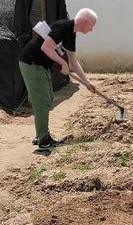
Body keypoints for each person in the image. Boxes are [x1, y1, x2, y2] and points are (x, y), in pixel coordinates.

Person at [19, 9, 98, 153]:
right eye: (92, 25)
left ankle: (41, 135)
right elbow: (46, 47)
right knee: (42, 101)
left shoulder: (71, 34)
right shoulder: (62, 27)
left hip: (40, 66)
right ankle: (43, 140)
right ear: (85, 21)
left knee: (47, 98)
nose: (92, 29)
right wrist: (63, 63)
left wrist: (87, 82)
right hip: (32, 63)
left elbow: (73, 61)